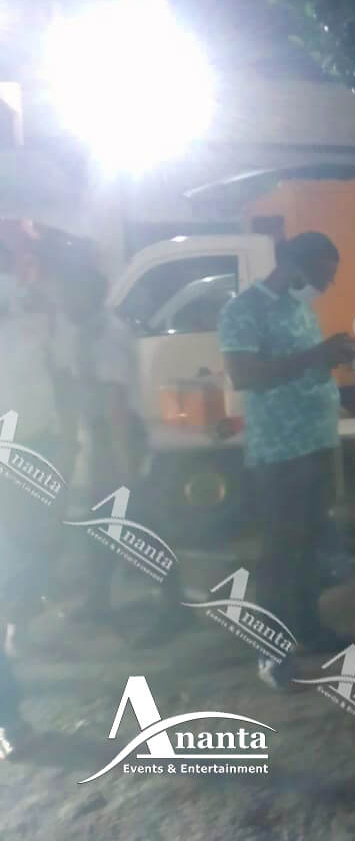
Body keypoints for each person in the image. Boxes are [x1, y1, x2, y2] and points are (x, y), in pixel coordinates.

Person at [217, 232, 355, 689]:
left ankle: (308, 628)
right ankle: (271, 653)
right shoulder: (243, 310)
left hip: (316, 441)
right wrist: (317, 354)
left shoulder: (300, 309)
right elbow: (244, 374)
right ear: (294, 266)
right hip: (280, 451)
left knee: (311, 546)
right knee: (281, 554)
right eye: (321, 273)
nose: (326, 284)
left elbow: (302, 365)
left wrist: (331, 358)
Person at [49, 263, 187, 641]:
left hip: (121, 437)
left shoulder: (108, 335)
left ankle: (173, 605)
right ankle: (98, 600)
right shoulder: (83, 331)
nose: (62, 299)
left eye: (69, 292)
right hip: (106, 437)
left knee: (138, 524)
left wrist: (125, 466)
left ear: (89, 294)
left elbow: (116, 404)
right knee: (102, 520)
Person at [0, 241, 67, 757]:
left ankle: (20, 623)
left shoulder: (32, 314)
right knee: (23, 554)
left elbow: (54, 376)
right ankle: (10, 721)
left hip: (36, 447)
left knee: (36, 550)